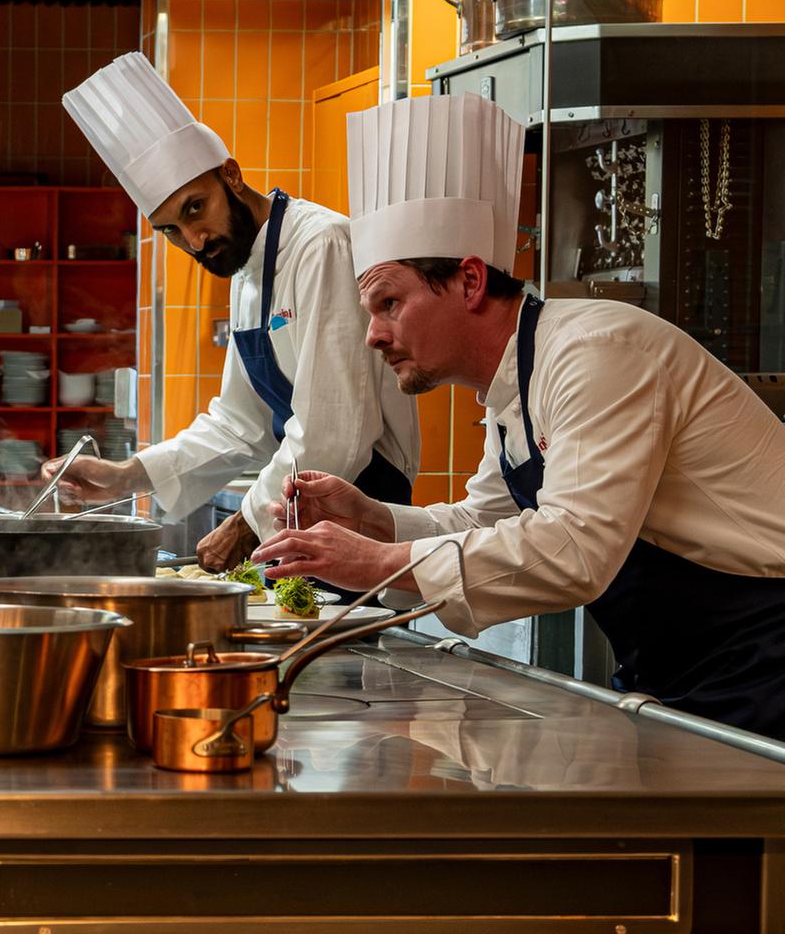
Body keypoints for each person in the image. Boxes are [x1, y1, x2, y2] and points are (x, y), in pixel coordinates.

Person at [250, 91, 785, 738]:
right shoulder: (515, 380)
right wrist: (373, 521)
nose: (374, 335)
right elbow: (486, 518)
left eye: (388, 303)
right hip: (684, 672)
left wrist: (369, 564)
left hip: (766, 660)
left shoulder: (596, 355)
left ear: (470, 282)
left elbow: (575, 549)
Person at [39, 52, 418, 571]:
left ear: (232, 176)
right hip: (302, 521)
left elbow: (337, 431)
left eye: (195, 208)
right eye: (171, 230)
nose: (194, 241)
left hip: (362, 513)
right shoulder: (244, 268)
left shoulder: (319, 245)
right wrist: (127, 474)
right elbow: (241, 425)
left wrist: (245, 522)